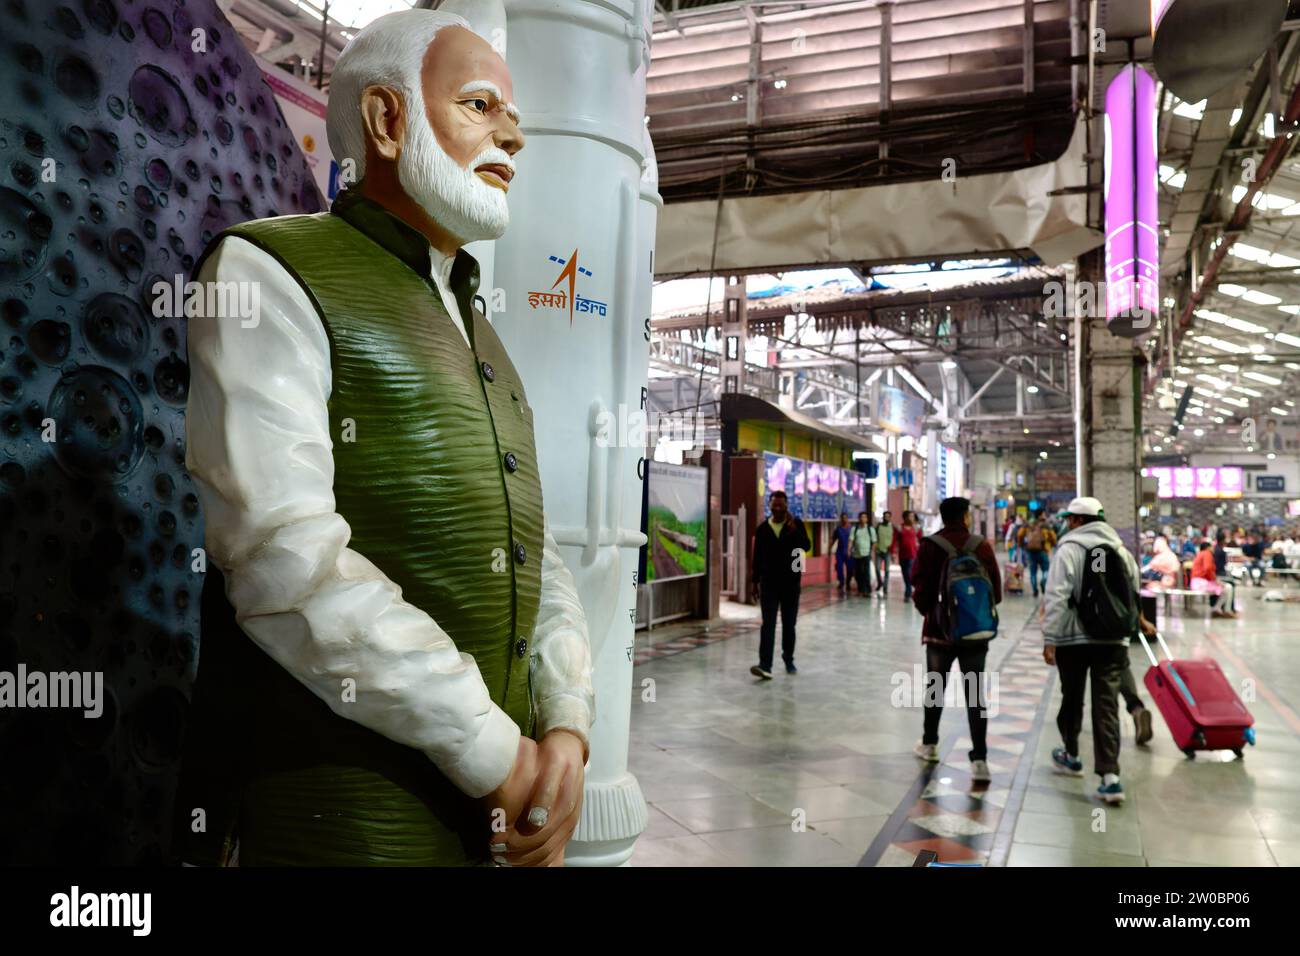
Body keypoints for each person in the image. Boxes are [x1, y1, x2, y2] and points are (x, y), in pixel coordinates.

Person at [177, 10, 594, 867]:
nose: (513, 137)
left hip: (490, 825)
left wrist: (566, 730)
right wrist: (497, 753)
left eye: (510, 116)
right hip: (337, 826)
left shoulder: (486, 339)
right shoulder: (267, 273)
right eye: (482, 106)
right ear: (387, 120)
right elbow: (282, 560)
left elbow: (535, 554)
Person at [1041, 497, 1155, 805]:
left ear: (1077, 521)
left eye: (1070, 519)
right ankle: (1110, 778)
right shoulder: (1122, 552)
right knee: (1106, 707)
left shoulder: (1069, 550)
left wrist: (1050, 638)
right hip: (1112, 642)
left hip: (1074, 641)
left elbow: (1056, 596)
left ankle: (1072, 755)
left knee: (1072, 699)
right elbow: (1133, 596)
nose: (1067, 523)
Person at [910, 497, 1002, 783]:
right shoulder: (981, 546)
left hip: (938, 633)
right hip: (974, 632)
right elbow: (995, 591)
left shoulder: (929, 546)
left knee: (935, 687)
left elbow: (918, 585)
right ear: (965, 516)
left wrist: (933, 613)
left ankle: (930, 744)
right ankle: (980, 759)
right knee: (975, 694)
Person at [750, 491, 812, 679]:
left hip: (790, 584)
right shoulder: (762, 529)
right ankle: (765, 665)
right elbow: (757, 558)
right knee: (767, 624)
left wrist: (795, 530)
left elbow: (806, 547)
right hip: (769, 584)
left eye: (781, 505)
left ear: (786, 506)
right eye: (774, 505)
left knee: (789, 624)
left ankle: (788, 659)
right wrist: (754, 582)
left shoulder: (796, 525)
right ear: (770, 506)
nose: (777, 508)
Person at [1192, 541, 1238, 618]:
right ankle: (1226, 610)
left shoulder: (1200, 554)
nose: (1213, 549)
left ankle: (1217, 608)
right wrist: (1215, 580)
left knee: (1226, 587)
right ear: (1208, 547)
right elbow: (1208, 568)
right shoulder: (1207, 554)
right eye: (1212, 547)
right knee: (1228, 587)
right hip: (1201, 583)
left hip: (1197, 582)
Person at [1018, 515, 1057, 598]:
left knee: (1033, 573)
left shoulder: (1027, 525)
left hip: (1031, 552)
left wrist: (1022, 545)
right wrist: (1051, 545)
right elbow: (1053, 537)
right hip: (1043, 551)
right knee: (1046, 569)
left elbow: (1019, 535)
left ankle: (1035, 590)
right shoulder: (1045, 525)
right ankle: (1044, 581)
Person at [850, 511, 876, 597]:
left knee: (866, 573)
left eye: (864, 517)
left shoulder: (870, 529)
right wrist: (848, 549)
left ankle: (867, 591)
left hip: (867, 554)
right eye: (861, 517)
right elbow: (851, 540)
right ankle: (860, 589)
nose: (862, 519)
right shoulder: (855, 529)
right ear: (859, 519)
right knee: (858, 573)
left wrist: (872, 552)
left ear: (867, 519)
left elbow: (874, 542)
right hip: (857, 554)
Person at [897, 511, 920, 602]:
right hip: (902, 555)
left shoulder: (916, 528)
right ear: (905, 517)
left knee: (909, 573)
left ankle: (908, 592)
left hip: (912, 554)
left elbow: (921, 539)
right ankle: (909, 590)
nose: (912, 518)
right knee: (905, 573)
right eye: (910, 516)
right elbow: (896, 540)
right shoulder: (899, 528)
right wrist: (894, 552)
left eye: (913, 516)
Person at [875, 510, 898, 596]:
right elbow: (874, 537)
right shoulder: (878, 526)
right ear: (883, 517)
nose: (886, 518)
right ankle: (880, 583)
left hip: (888, 552)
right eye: (885, 516)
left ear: (890, 518)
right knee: (877, 569)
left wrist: (894, 551)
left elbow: (895, 540)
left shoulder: (893, 527)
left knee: (887, 571)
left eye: (888, 516)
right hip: (879, 551)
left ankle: (885, 587)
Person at [833, 512, 854, 593]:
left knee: (850, 569)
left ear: (847, 519)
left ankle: (848, 582)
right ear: (841, 519)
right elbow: (834, 539)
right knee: (839, 568)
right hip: (840, 552)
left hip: (849, 552)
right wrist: (830, 548)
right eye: (842, 518)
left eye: (845, 517)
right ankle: (841, 582)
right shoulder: (838, 529)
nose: (844, 519)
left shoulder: (852, 529)